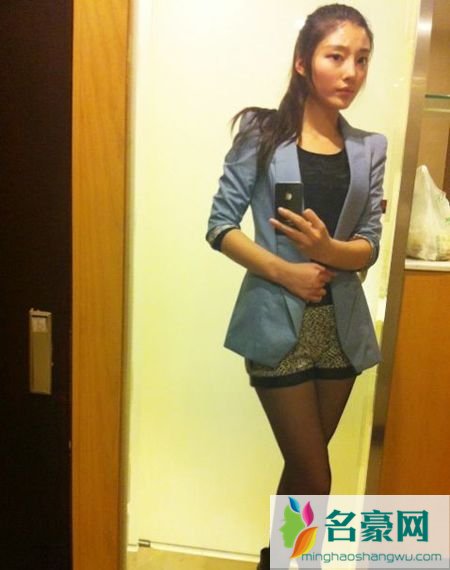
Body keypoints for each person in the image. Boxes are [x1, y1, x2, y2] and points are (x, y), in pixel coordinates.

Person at [205, 4, 387, 569]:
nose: (351, 72)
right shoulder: (262, 134)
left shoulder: (370, 148)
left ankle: (278, 561)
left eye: (362, 59)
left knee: (304, 473)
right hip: (275, 321)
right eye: (337, 56)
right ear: (304, 62)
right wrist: (286, 271)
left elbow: (370, 243)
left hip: (340, 329)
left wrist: (328, 251)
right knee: (315, 474)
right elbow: (220, 226)